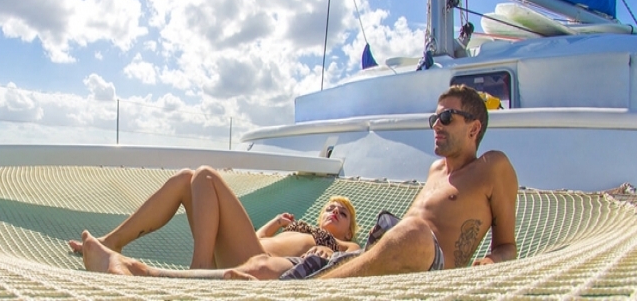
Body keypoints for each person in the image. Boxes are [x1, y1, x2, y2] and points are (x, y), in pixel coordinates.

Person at [81, 84, 519, 279]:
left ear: (474, 127)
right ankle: (116, 249)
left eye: (446, 117)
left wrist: (492, 263)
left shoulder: (494, 166)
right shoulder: (435, 171)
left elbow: (506, 246)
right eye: (433, 118)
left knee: (414, 234)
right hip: (382, 258)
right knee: (194, 181)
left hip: (427, 263)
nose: (436, 125)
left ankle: (165, 276)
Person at [71, 164, 360, 274]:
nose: (334, 211)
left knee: (205, 176)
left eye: (343, 212)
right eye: (330, 207)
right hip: (245, 252)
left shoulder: (342, 244)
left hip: (257, 264)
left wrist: (327, 252)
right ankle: (113, 241)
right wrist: (275, 223)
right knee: (186, 178)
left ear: (349, 231)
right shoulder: (302, 229)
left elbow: (356, 256)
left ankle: (198, 271)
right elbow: (257, 238)